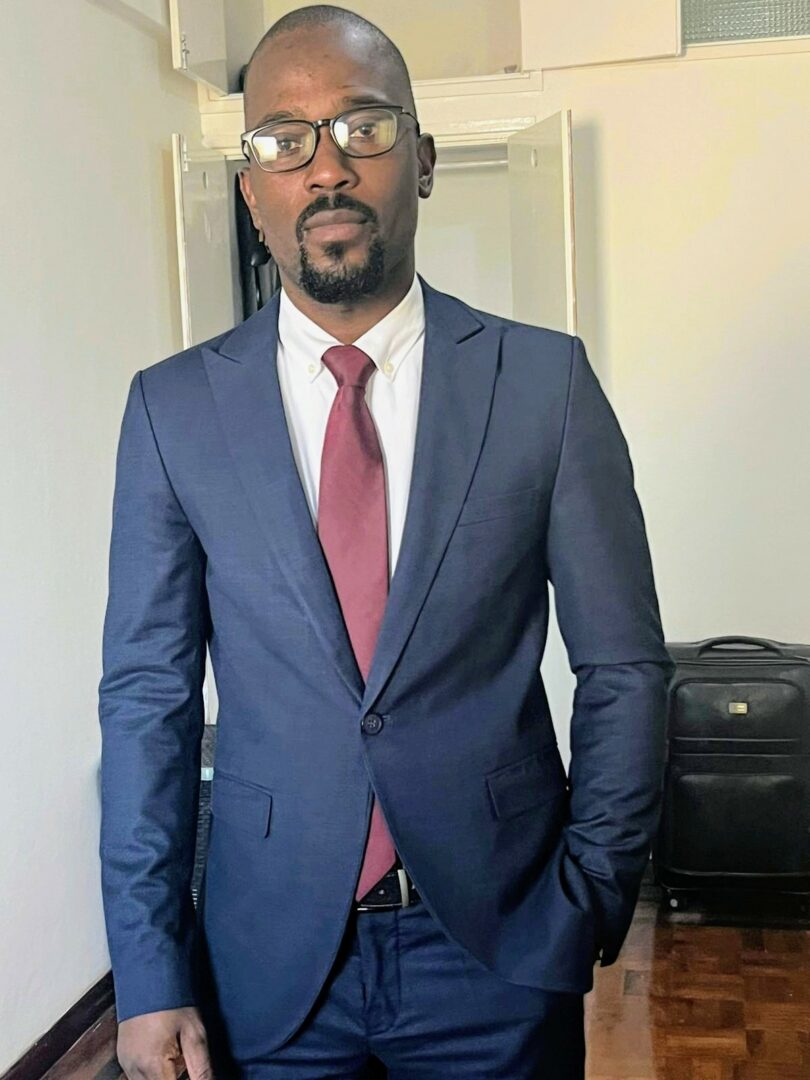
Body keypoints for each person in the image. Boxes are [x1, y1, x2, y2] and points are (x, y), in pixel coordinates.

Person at [97, 5, 674, 1078]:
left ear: (425, 159)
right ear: (251, 191)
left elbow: (625, 667)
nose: (326, 167)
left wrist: (595, 890)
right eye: (284, 140)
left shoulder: (542, 386)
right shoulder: (173, 411)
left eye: (364, 127)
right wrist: (147, 969)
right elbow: (146, 701)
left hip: (501, 952)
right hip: (267, 963)